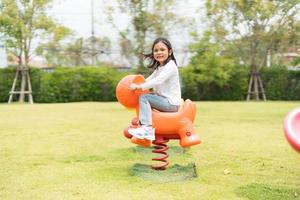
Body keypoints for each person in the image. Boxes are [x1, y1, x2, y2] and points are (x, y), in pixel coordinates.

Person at [128, 37, 181, 141]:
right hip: (165, 100)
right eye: (156, 50)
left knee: (144, 98)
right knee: (147, 96)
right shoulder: (159, 68)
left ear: (169, 52)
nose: (159, 52)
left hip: (171, 103)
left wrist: (140, 87)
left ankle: (146, 128)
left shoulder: (171, 66)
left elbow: (158, 80)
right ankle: (143, 125)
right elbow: (150, 79)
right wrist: (139, 83)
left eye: (162, 50)